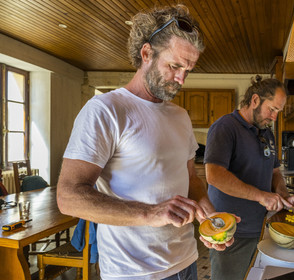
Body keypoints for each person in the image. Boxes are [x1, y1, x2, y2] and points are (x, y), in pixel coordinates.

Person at [57, 4, 236, 280]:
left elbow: (190, 178)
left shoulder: (180, 116)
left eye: (188, 70)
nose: (181, 79)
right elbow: (68, 197)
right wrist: (150, 213)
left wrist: (210, 220)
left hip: (186, 263)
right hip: (133, 272)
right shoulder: (106, 110)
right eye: (175, 66)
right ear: (146, 53)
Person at [204, 75, 294, 280]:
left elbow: (274, 172)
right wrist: (261, 196)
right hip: (232, 232)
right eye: (272, 109)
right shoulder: (225, 127)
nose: (275, 117)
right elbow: (214, 175)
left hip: (261, 229)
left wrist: (285, 196)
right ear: (254, 100)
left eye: (278, 111)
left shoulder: (266, 134)